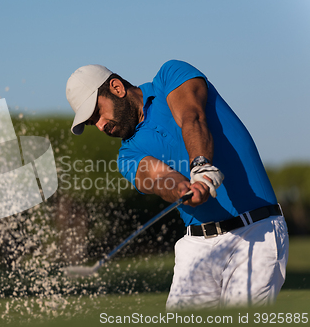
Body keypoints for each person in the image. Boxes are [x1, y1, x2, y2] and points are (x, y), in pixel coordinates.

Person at [65, 60, 289, 310]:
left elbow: (191, 116)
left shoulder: (170, 77)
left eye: (97, 113)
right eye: (91, 123)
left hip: (256, 232)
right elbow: (160, 178)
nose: (100, 125)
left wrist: (201, 166)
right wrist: (183, 190)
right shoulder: (126, 156)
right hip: (197, 246)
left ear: (116, 87)